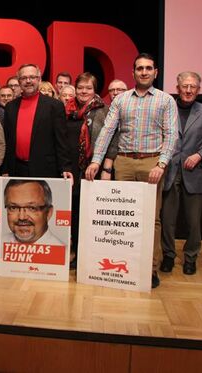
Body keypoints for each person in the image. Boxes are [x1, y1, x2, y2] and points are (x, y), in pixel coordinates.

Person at [85, 53, 178, 289]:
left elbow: (171, 135)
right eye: (139, 68)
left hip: (151, 163)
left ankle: (150, 269)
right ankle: (123, 265)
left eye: (148, 68)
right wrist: (96, 161)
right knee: (121, 218)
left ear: (155, 72)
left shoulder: (166, 100)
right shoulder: (121, 100)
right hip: (124, 163)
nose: (144, 72)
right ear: (133, 72)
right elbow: (107, 131)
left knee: (151, 220)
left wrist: (161, 164)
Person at [160, 71, 202, 275]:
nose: (188, 90)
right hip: (169, 170)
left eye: (193, 87)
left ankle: (191, 257)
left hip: (194, 173)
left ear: (198, 90)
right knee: (167, 219)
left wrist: (199, 155)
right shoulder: (167, 106)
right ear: (177, 88)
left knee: (193, 221)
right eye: (185, 86)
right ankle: (168, 255)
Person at [65, 72, 117, 267]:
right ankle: (76, 254)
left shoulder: (103, 110)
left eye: (88, 88)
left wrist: (106, 167)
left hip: (92, 169)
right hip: (71, 169)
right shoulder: (67, 109)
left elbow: (113, 138)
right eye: (80, 88)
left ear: (95, 90)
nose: (83, 91)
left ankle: (90, 256)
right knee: (74, 214)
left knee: (90, 215)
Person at [2, 63, 72, 179]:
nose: (28, 81)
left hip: (45, 169)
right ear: (19, 82)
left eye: (32, 77)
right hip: (16, 169)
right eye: (24, 78)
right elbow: (7, 140)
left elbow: (61, 140)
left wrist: (65, 167)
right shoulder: (10, 107)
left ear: (39, 79)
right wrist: (5, 169)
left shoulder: (54, 106)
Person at [2, 179, 63, 245]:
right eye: (13, 208)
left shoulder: (62, 252)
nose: (22, 217)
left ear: (48, 213)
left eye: (32, 208)